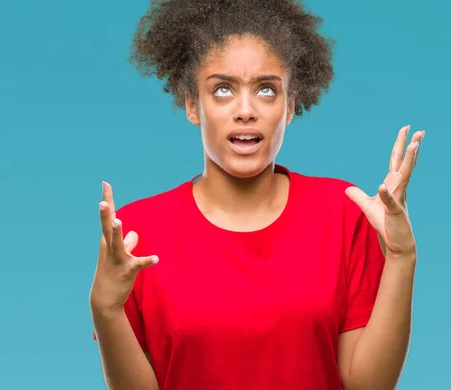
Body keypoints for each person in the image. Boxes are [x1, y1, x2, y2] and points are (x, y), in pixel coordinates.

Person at [89, 0, 424, 389]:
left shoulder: (344, 213)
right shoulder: (136, 235)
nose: (245, 110)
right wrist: (106, 309)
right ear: (193, 105)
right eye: (222, 90)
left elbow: (367, 385)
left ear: (291, 106)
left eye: (266, 89)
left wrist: (402, 257)